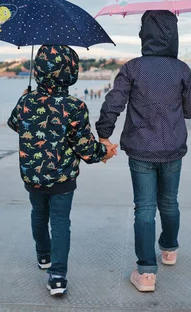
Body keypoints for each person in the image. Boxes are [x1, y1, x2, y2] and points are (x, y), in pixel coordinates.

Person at [96, 10, 191, 293]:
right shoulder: (182, 70)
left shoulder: (133, 68)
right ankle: (168, 250)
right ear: (173, 34)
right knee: (169, 202)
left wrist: (104, 134)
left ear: (144, 34)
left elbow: (113, 103)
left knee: (144, 208)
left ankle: (146, 273)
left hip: (140, 150)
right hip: (174, 148)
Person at [8, 45, 117, 297]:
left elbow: (16, 125)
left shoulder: (26, 101)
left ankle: (43, 256)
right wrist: (105, 153)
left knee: (38, 213)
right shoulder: (74, 106)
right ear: (71, 72)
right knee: (59, 221)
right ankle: (57, 276)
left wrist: (25, 99)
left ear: (38, 71)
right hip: (62, 177)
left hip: (32, 174)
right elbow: (86, 149)